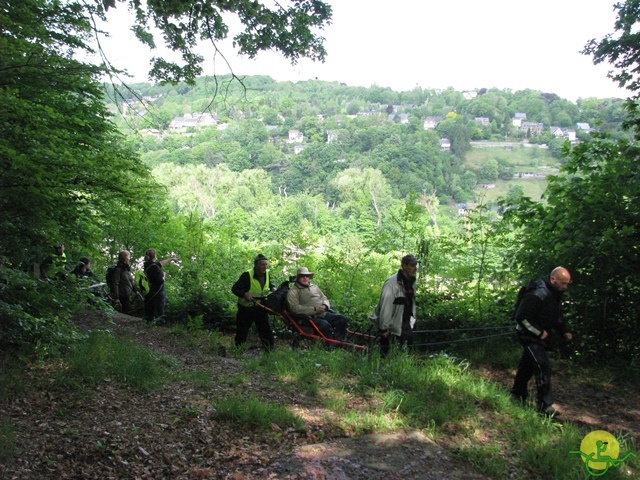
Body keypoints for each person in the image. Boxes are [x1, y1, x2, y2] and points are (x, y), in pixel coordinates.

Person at [511, 266, 573, 415]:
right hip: (528, 335)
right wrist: (539, 333)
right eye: (563, 283)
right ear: (553, 280)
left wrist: (565, 330)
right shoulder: (537, 293)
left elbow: (555, 315)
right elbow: (521, 317)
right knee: (542, 366)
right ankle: (545, 406)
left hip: (541, 336)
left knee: (527, 366)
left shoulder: (553, 293)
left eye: (567, 284)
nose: (565, 287)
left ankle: (517, 395)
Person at [370, 254, 418, 357]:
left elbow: (412, 303)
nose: (415, 268)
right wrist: (383, 328)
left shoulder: (411, 282)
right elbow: (385, 307)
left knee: (407, 352)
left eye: (416, 265)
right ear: (404, 266)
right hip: (392, 326)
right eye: (412, 265)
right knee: (385, 355)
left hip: (405, 323)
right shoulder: (392, 284)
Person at [286, 267, 348, 344]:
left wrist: (325, 306)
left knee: (342, 318)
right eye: (302, 276)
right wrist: (314, 309)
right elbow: (294, 308)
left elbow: (324, 297)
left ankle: (338, 341)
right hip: (307, 318)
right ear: (298, 277)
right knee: (324, 324)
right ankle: (330, 345)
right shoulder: (293, 291)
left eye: (307, 276)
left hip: (322, 314)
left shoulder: (314, 287)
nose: (305, 278)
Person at [231, 254, 276, 351]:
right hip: (246, 308)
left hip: (260, 307)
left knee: (265, 330)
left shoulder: (267, 273)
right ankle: (238, 351)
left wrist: (273, 288)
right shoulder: (247, 275)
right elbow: (235, 289)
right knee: (242, 330)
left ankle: (269, 351)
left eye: (266, 265)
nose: (264, 267)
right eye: (262, 265)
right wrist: (244, 294)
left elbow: (268, 284)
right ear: (256, 265)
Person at [143, 248, 178, 325]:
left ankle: (149, 323)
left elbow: (160, 263)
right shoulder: (154, 267)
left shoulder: (147, 266)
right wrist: (164, 276)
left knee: (150, 311)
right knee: (158, 311)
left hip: (150, 292)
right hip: (157, 293)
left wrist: (171, 259)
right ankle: (158, 325)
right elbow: (160, 281)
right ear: (154, 256)